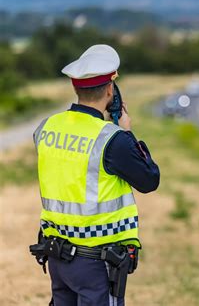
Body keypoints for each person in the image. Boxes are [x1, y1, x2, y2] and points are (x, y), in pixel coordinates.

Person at [29, 44, 160, 306]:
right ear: (111, 89)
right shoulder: (112, 139)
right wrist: (126, 133)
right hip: (96, 263)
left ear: (75, 87)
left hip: (57, 257)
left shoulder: (46, 128)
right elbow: (149, 180)